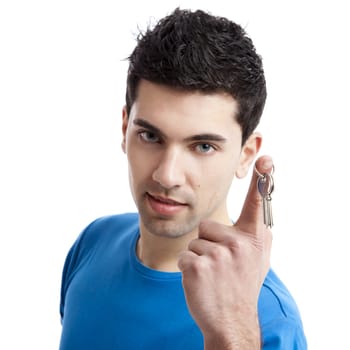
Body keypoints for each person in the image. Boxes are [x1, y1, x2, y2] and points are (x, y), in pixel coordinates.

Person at [59, 8, 307, 350]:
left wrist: (232, 333)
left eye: (203, 146)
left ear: (247, 154)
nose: (166, 175)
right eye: (150, 136)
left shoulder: (268, 322)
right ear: (124, 127)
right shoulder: (93, 243)